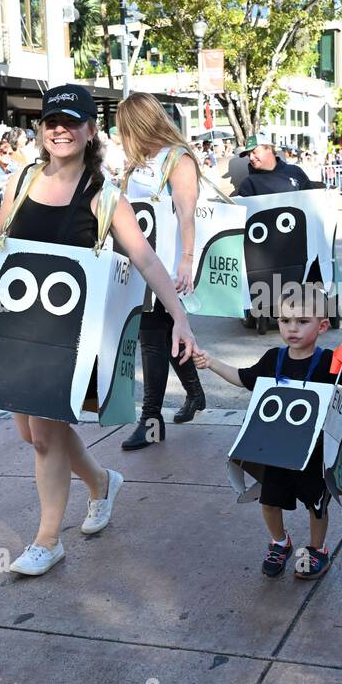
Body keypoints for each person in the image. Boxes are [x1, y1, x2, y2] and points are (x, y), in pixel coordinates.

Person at [0, 84, 198, 576]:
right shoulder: (21, 181)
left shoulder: (104, 197)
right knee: (31, 431)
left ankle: (48, 540)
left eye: (71, 121)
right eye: (51, 121)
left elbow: (146, 258)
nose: (60, 129)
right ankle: (101, 482)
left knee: (44, 435)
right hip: (18, 328)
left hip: (69, 338)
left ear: (91, 132)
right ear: (42, 130)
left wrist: (179, 316)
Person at [195, 285, 342, 579]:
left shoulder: (327, 361)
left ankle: (317, 550)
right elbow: (243, 378)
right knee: (270, 501)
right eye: (286, 321)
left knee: (317, 505)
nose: (292, 328)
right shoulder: (273, 358)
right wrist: (212, 363)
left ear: (322, 326)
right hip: (275, 449)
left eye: (302, 321)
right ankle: (279, 541)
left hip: (313, 453)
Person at [115, 92, 207, 451]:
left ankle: (151, 420)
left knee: (153, 338)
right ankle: (195, 394)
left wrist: (186, 258)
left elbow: (187, 211)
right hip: (143, 263)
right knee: (165, 334)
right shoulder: (140, 161)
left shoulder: (177, 159)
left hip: (166, 264)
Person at [233, 132, 313, 197]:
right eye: (248, 155)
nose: (251, 158)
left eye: (254, 152)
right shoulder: (249, 183)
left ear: (269, 149)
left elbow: (312, 198)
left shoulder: (295, 171)